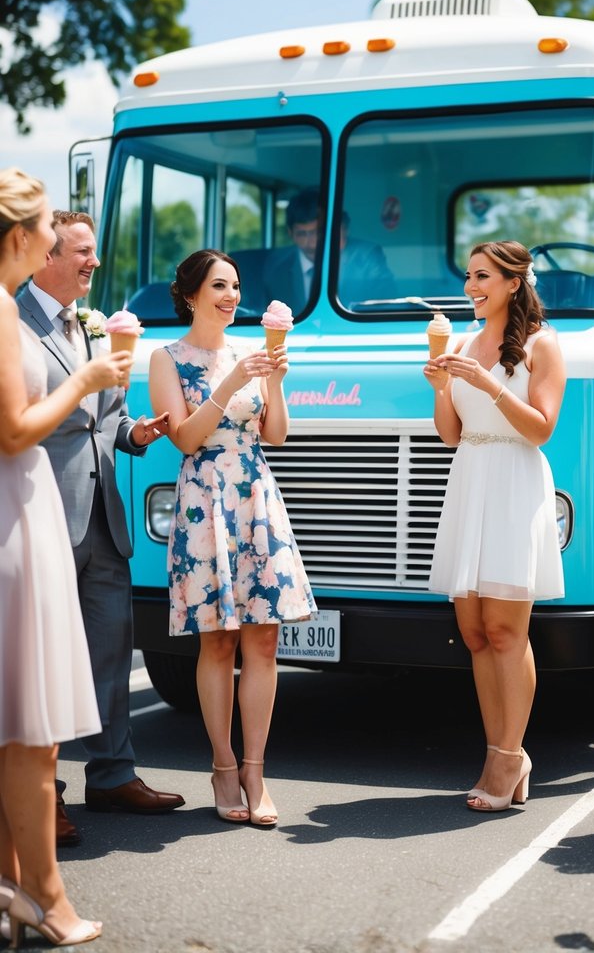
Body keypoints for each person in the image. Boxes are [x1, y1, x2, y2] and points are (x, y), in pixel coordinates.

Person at [18, 211, 184, 840]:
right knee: (46, 664)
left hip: (105, 519)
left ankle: (113, 776)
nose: (93, 261)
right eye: (81, 252)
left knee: (112, 653)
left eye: (92, 252)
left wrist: (134, 432)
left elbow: (104, 415)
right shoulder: (14, 322)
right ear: (45, 257)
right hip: (44, 517)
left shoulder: (93, 324)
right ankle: (44, 793)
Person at [0, 170, 130, 946]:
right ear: (20, 237)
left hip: (26, 507)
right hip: (17, 510)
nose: (60, 242)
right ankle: (48, 902)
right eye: (51, 228)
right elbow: (15, 430)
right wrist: (86, 377)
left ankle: (15, 889)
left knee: (17, 725)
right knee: (31, 729)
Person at [148, 250, 317, 826]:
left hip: (256, 496)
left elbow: (276, 434)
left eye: (236, 287)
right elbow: (186, 440)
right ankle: (222, 767)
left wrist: (279, 383)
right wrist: (230, 384)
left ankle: (255, 770)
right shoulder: (165, 359)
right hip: (205, 503)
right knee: (217, 640)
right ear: (191, 293)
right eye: (219, 286)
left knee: (264, 641)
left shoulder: (252, 352)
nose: (231, 296)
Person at [424, 241, 566, 812]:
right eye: (467, 276)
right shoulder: (462, 342)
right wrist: (440, 388)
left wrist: (488, 384)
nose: (470, 286)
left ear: (513, 282)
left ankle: (510, 754)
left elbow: (541, 429)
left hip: (513, 483)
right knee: (476, 633)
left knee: (509, 633)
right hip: (470, 478)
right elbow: (450, 434)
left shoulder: (542, 345)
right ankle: (498, 750)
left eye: (481, 277)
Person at [262, 187, 394, 310]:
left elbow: (383, 308)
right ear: (290, 233)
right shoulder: (276, 266)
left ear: (340, 229)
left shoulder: (367, 258)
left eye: (319, 232)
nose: (312, 244)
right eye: (302, 234)